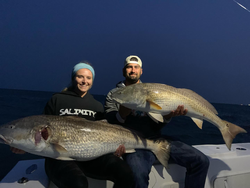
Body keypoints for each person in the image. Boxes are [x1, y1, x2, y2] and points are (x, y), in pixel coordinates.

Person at [12, 61, 134, 188]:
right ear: (73, 78)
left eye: (88, 78)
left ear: (92, 80)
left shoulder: (97, 105)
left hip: (91, 158)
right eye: (80, 76)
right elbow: (39, 132)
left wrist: (116, 148)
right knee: (78, 184)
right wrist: (23, 147)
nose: (84, 81)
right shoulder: (57, 99)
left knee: (126, 174)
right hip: (58, 158)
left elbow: (104, 133)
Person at [105, 55, 210, 188]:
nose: (133, 70)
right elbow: (109, 123)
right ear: (123, 70)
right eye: (129, 67)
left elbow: (158, 122)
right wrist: (123, 112)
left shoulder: (151, 91)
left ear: (141, 71)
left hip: (157, 138)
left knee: (201, 161)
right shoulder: (114, 94)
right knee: (137, 174)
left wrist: (168, 116)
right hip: (133, 143)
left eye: (136, 67)